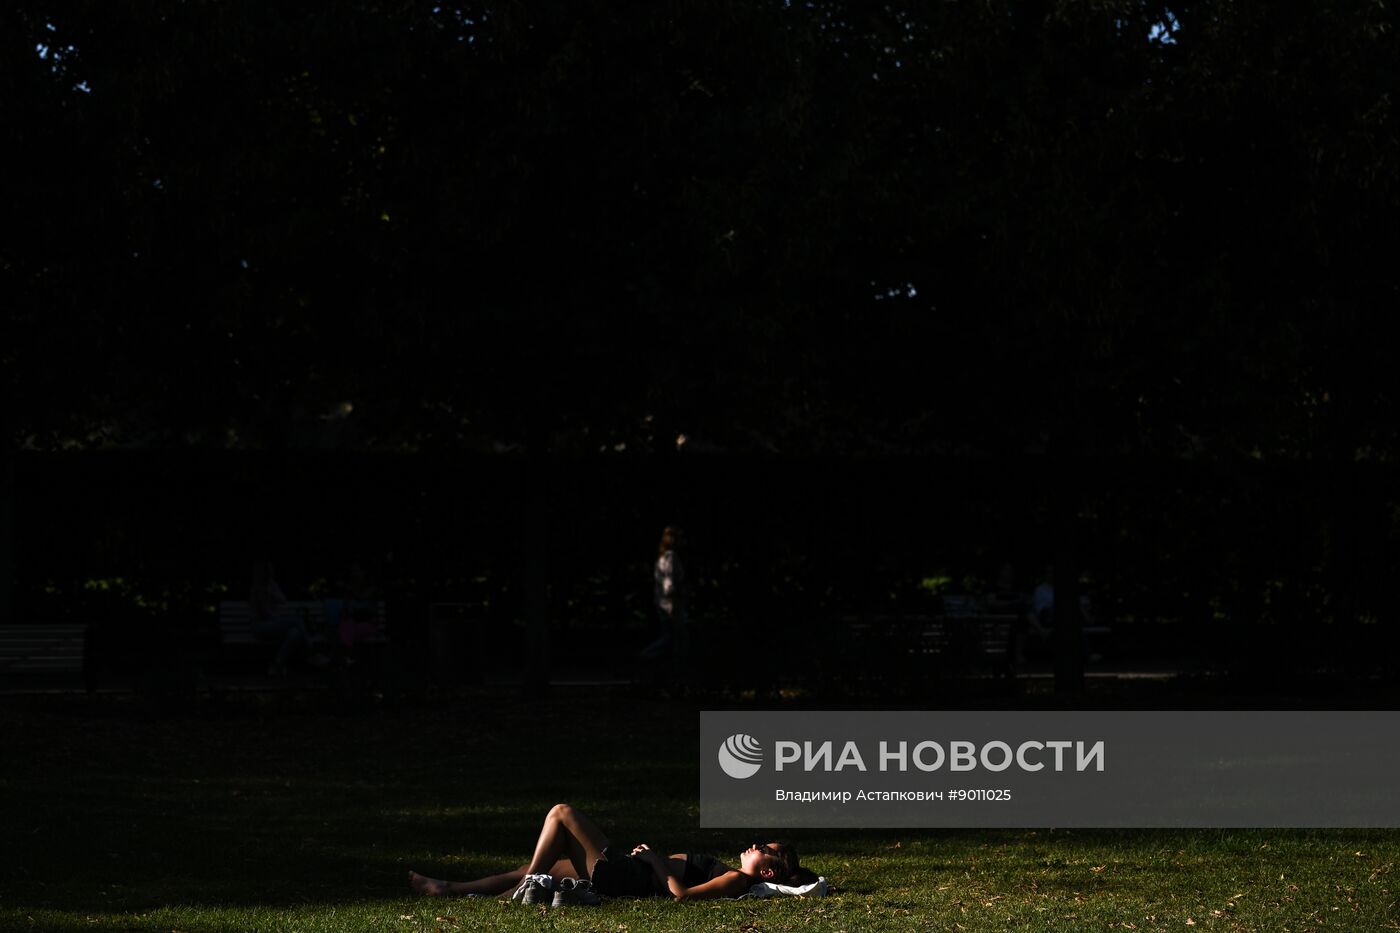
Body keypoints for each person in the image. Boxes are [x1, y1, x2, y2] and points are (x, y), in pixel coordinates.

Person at [408, 803, 815, 905]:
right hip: (627, 867)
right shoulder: (736, 872)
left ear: (766, 873)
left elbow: (684, 897)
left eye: (765, 850)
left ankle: (528, 884)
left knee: (562, 813)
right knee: (528, 866)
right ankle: (449, 888)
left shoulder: (737, 879)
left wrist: (656, 860)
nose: (757, 845)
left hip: (627, 875)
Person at [249, 561, 327, 675]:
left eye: (272, 570)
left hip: (272, 625)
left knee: (295, 633)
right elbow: (264, 615)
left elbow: (283, 600)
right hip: (260, 627)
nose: (272, 573)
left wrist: (273, 591)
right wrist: (280, 620)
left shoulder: (272, 585)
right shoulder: (257, 589)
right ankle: (312, 654)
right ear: (264, 573)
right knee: (296, 620)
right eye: (270, 571)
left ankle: (277, 664)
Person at [639, 526, 688, 685]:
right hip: (670, 604)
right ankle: (646, 657)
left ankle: (665, 672)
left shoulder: (662, 558)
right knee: (671, 638)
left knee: (671, 638)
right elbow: (669, 585)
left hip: (663, 603)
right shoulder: (670, 557)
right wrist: (673, 605)